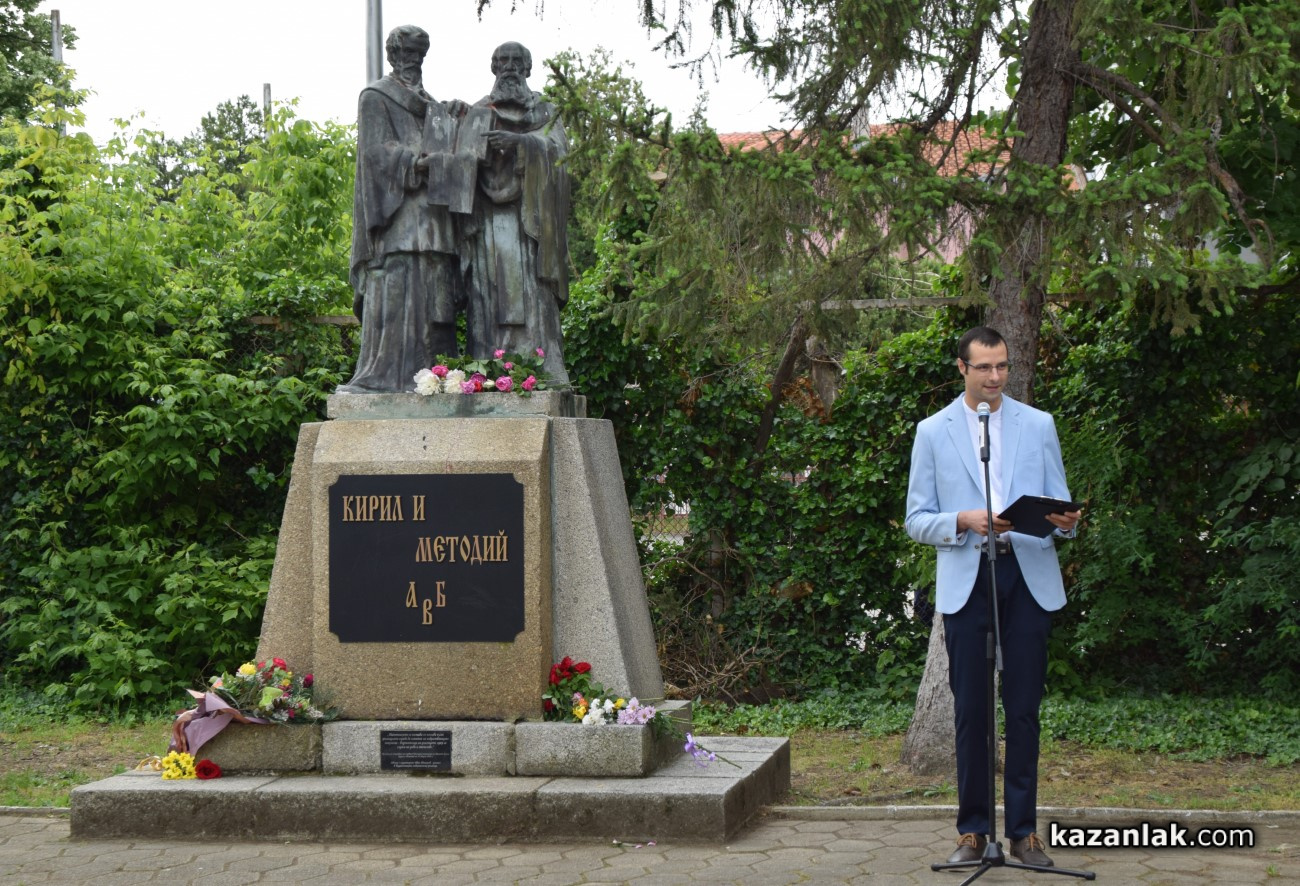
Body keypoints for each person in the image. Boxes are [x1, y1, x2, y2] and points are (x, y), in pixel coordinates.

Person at [904, 326, 1081, 868]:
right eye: (984, 367)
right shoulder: (932, 432)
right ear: (962, 368)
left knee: (1023, 709)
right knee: (972, 712)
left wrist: (1065, 522)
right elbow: (916, 519)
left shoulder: (1039, 424)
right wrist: (962, 519)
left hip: (1026, 577)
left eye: (1002, 366)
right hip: (969, 578)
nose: (995, 377)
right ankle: (973, 832)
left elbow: (1060, 507)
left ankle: (1024, 834)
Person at [339, 24, 463, 393]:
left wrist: (455, 121)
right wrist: (416, 163)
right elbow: (376, 154)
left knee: (436, 300)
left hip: (434, 219)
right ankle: (383, 378)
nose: (413, 60)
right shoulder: (375, 97)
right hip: (397, 218)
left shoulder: (433, 105)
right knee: (396, 294)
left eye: (419, 54)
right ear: (392, 55)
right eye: (407, 53)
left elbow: (451, 149)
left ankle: (437, 379)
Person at [449, 41, 571, 385]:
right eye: (503, 62)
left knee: (533, 295)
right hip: (487, 224)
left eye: (517, 62)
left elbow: (560, 159)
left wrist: (521, 143)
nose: (510, 68)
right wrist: (457, 125)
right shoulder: (477, 112)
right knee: (487, 295)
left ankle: (539, 370)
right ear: (494, 67)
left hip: (529, 224)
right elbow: (460, 170)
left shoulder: (546, 111)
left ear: (528, 68)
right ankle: (487, 374)